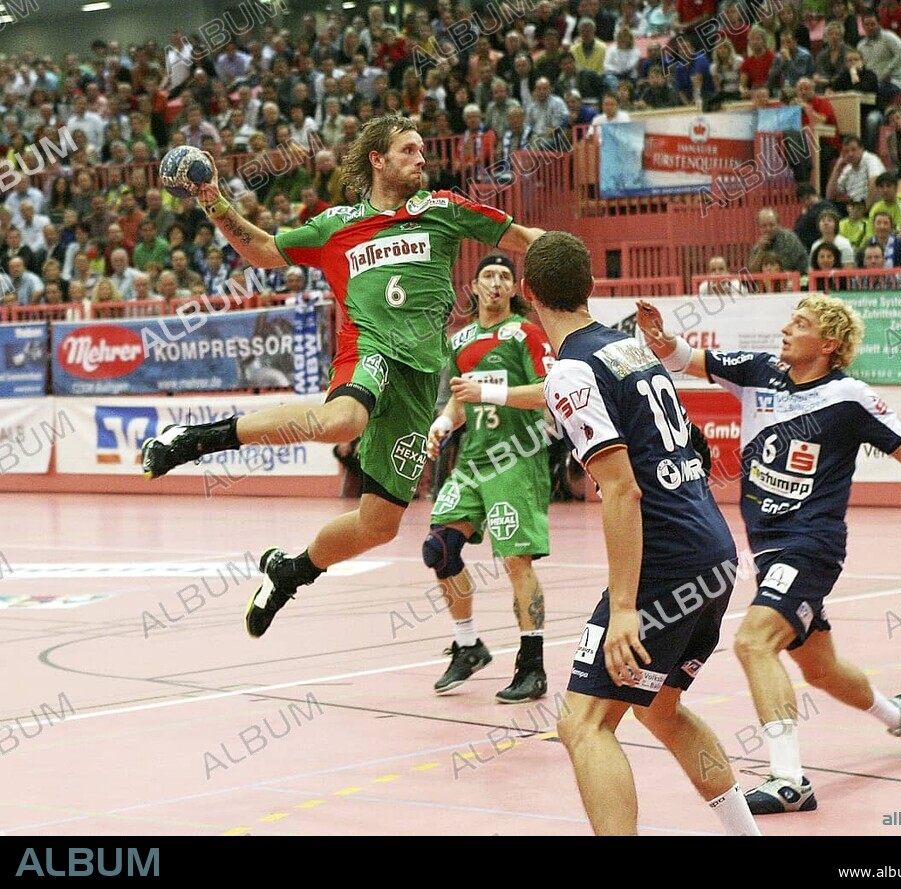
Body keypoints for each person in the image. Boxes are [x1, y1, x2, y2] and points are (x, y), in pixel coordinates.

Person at [140, 115, 545, 638]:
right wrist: (214, 201)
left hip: (419, 378)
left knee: (379, 525)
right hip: (368, 349)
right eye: (408, 150)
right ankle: (194, 439)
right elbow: (263, 250)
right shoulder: (336, 225)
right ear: (377, 160)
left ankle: (290, 572)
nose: (421, 158)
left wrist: (567, 267)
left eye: (422, 149)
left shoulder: (444, 209)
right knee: (343, 420)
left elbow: (528, 238)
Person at [635, 294, 901, 816]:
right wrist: (662, 342)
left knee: (753, 643)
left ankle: (789, 780)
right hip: (769, 550)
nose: (787, 329)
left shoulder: (849, 397)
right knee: (821, 670)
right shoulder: (757, 372)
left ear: (829, 343)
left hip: (811, 545)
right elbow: (683, 358)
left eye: (801, 323)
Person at [523, 230, 760, 838]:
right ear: (591, 287)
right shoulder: (629, 349)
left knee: (584, 723)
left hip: (665, 561)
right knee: (659, 707)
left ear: (528, 293)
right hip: (712, 548)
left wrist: (625, 607)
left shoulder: (571, 370)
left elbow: (622, 490)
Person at [424, 253, 554, 703]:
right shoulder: (460, 341)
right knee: (439, 548)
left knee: (516, 561)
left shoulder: (526, 333)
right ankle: (468, 645)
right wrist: (443, 425)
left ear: (514, 288)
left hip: (516, 460)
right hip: (473, 461)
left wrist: (489, 391)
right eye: (487, 276)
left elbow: (548, 392)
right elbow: (460, 399)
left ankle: (532, 666)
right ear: (476, 286)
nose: (495, 283)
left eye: (503, 276)